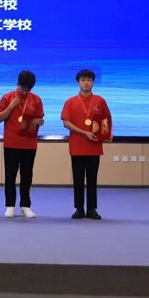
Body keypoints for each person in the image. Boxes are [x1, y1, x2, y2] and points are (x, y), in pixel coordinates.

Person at [61, 69, 112, 220]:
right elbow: (66, 123)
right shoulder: (70, 102)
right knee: (77, 179)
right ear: (78, 83)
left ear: (93, 83)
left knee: (92, 179)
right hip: (77, 146)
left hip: (94, 146)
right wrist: (84, 132)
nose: (86, 82)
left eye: (89, 80)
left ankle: (91, 209)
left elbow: (106, 120)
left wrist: (108, 133)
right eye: (83, 80)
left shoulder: (100, 101)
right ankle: (78, 209)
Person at [0, 70, 44, 218]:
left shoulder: (36, 100)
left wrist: (39, 122)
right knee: (10, 175)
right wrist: (11, 106)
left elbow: (40, 119)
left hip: (29, 143)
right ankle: (10, 206)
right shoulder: (7, 97)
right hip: (11, 143)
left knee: (27, 176)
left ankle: (25, 206)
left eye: (27, 89)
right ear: (17, 84)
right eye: (22, 88)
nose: (24, 91)